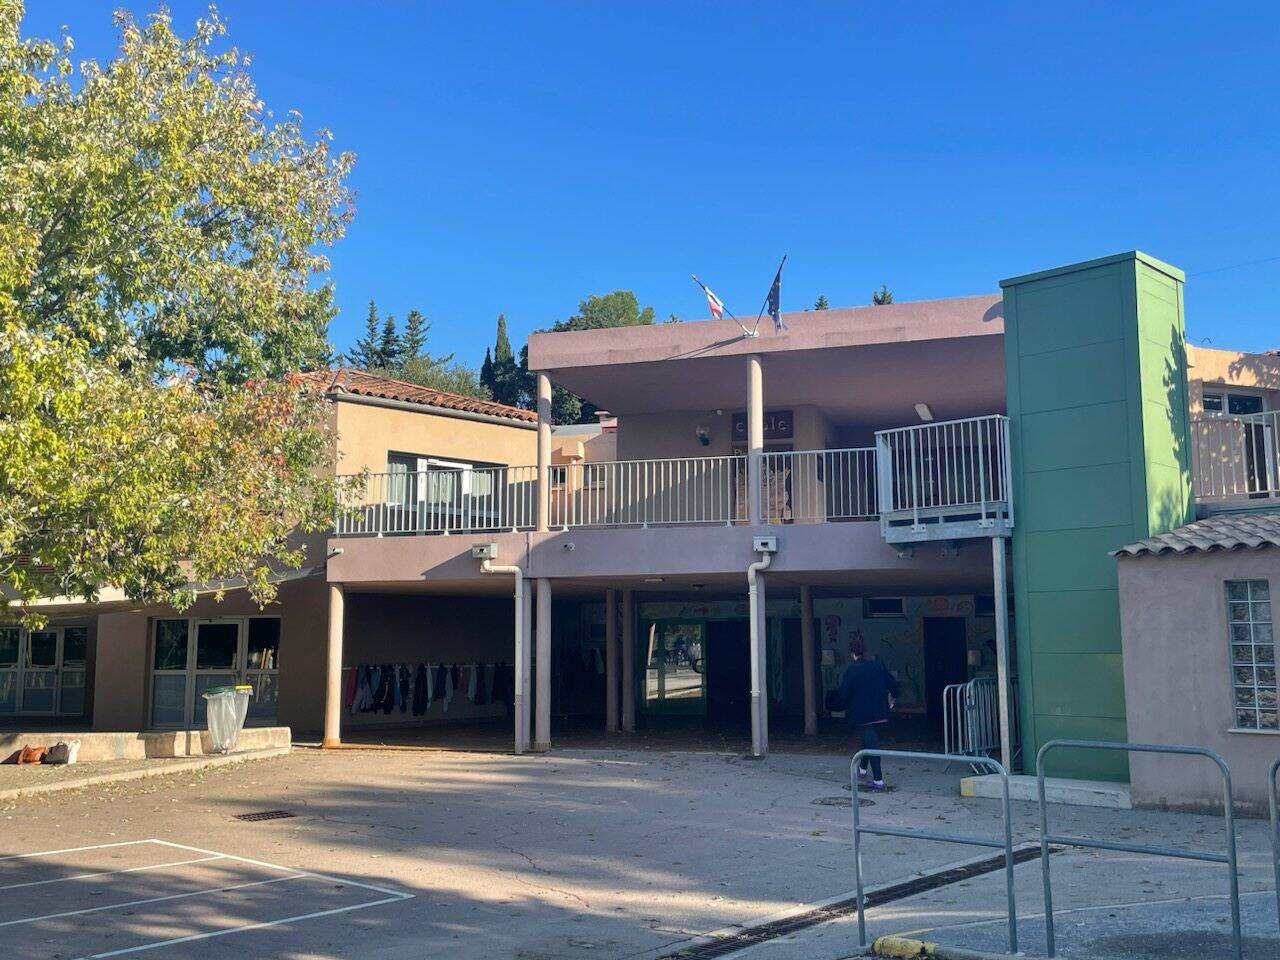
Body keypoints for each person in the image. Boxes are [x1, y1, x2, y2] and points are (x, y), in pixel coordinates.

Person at [837, 635, 900, 790]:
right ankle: (862, 769)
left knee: (871, 744)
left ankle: (878, 780)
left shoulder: (852, 669)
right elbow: (892, 684)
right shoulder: (878, 665)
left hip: (862, 713)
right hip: (880, 710)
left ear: (853, 653)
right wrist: (894, 696)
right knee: (867, 739)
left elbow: (844, 693)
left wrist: (842, 706)